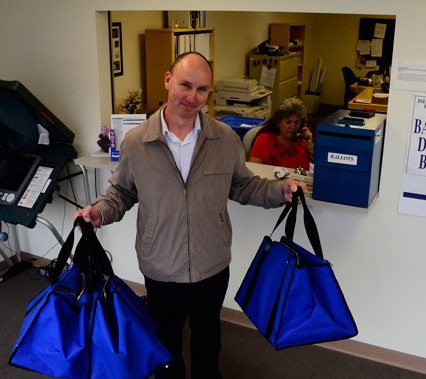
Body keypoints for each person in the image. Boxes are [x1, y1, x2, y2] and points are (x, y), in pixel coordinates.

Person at [74, 52, 307, 379]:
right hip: (161, 265)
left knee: (208, 338)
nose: (192, 97)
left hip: (212, 263)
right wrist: (99, 212)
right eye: (185, 85)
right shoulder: (137, 142)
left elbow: (243, 185)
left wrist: (278, 191)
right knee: (165, 341)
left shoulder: (224, 139)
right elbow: (122, 192)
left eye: (201, 90)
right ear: (168, 80)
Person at [248, 97, 314, 170]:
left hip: (301, 180)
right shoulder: (265, 138)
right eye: (288, 122)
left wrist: (309, 144)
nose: (293, 126)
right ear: (278, 122)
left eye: (297, 122)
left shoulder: (303, 140)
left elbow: (322, 165)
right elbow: (253, 168)